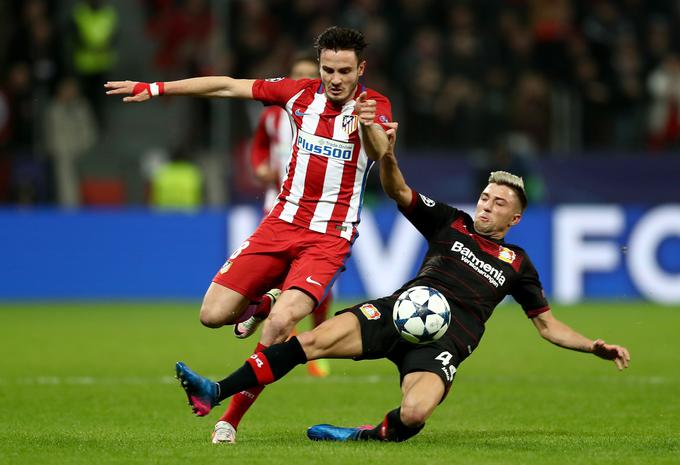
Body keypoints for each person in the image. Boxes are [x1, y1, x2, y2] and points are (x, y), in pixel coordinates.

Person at [174, 123, 630, 443]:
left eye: (499, 203)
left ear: (516, 216)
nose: (487, 206)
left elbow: (547, 326)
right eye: (485, 197)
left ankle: (368, 436)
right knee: (308, 341)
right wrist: (387, 156)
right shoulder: (451, 222)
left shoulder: (519, 264)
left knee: (415, 413)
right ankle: (217, 390)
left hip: (443, 344)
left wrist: (593, 346)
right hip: (396, 313)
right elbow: (399, 192)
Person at [106, 26, 392, 443]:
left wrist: (369, 125)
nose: (335, 79)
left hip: (329, 237)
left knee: (281, 325)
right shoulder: (298, 94)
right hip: (280, 224)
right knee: (213, 315)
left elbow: (382, 152)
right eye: (328, 69)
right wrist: (156, 87)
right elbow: (226, 85)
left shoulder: (375, 105)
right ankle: (261, 300)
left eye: (344, 71)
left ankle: (230, 419)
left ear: (360, 69)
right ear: (319, 67)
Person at [247, 52, 333, 380]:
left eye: (309, 75)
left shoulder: (330, 118)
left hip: (319, 212)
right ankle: (284, 331)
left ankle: (317, 339)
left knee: (317, 284)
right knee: (279, 275)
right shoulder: (272, 117)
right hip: (278, 205)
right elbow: (258, 147)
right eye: (298, 75)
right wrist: (259, 166)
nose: (304, 81)